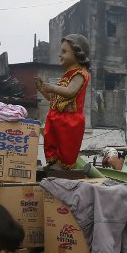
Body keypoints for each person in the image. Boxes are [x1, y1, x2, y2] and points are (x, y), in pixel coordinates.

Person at [34, 34, 91, 170]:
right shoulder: (66, 75)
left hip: (69, 119)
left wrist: (52, 87)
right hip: (56, 115)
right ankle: (53, 163)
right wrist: (42, 89)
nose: (60, 55)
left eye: (64, 52)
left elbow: (71, 91)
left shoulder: (80, 74)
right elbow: (53, 99)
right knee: (50, 140)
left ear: (77, 54)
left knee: (65, 145)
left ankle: (62, 166)